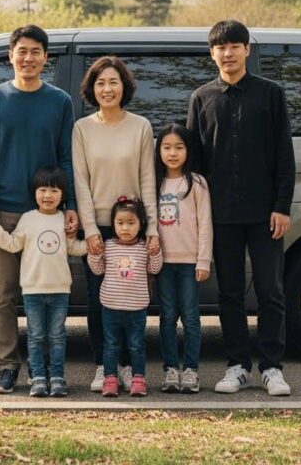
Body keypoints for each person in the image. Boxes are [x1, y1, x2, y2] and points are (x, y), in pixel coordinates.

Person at [187, 19, 296, 396]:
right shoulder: (201, 98)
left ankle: (272, 367)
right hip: (221, 214)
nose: (228, 53)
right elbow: (194, 163)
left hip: (265, 213)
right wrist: (198, 214)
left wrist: (282, 206)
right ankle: (237, 366)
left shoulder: (270, 94)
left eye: (235, 45)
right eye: (221, 47)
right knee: (230, 293)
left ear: (248, 49)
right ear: (211, 53)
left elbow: (284, 155)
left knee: (270, 290)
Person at [0, 25, 79, 394]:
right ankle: (7, 367)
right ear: (10, 55)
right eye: (22, 51)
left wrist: (70, 205)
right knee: (4, 294)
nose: (29, 58)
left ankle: (47, 370)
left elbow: (66, 158)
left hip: (49, 214)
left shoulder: (59, 101)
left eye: (36, 51)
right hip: (5, 212)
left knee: (48, 293)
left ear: (46, 57)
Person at [73, 55, 159, 393]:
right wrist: (91, 229)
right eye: (100, 83)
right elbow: (80, 182)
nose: (107, 89)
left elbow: (147, 179)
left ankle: (126, 367)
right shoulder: (82, 129)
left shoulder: (140, 126)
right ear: (91, 89)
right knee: (99, 299)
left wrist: (151, 228)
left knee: (131, 298)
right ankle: (103, 365)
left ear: (125, 86)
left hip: (132, 228)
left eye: (113, 82)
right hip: (97, 228)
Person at [0, 166, 87, 398]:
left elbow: (73, 247)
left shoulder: (64, 220)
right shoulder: (28, 219)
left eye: (54, 190)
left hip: (60, 291)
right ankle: (38, 377)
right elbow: (12, 244)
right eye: (42, 190)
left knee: (57, 337)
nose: (48, 195)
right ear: (34, 192)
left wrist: (93, 244)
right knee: (36, 336)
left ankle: (57, 377)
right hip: (33, 291)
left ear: (63, 194)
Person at [154, 122, 213, 394]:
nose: (173, 153)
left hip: (190, 262)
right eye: (167, 147)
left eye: (179, 147)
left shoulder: (197, 183)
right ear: (159, 151)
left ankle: (190, 369)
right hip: (163, 262)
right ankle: (170, 369)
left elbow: (205, 224)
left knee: (190, 316)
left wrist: (203, 260)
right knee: (167, 316)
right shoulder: (154, 183)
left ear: (188, 151)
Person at [87, 197, 163, 398]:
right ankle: (110, 378)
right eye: (120, 223)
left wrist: (155, 253)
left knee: (136, 346)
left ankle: (138, 378)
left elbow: (154, 269)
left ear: (141, 224)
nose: (125, 228)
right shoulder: (108, 246)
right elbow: (97, 270)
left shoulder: (143, 247)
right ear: (113, 224)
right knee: (111, 345)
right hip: (110, 307)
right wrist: (95, 254)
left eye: (131, 223)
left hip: (136, 309)